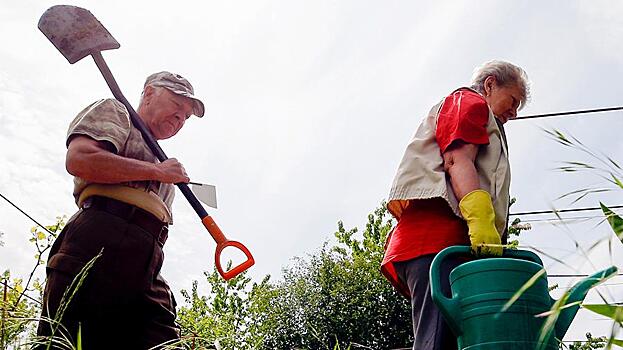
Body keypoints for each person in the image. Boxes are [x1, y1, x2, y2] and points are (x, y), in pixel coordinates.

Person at [36, 71, 205, 349]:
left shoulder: (162, 159)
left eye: (186, 117)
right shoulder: (116, 112)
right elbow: (80, 159)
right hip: (101, 236)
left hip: (148, 256)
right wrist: (156, 171)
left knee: (162, 341)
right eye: (177, 106)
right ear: (149, 94)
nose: (180, 119)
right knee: (68, 339)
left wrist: (161, 172)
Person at [381, 60, 530, 349]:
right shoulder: (469, 102)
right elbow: (456, 159)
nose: (514, 112)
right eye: (513, 100)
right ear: (490, 85)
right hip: (435, 244)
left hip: (448, 247)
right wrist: (481, 219)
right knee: (437, 341)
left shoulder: (487, 120)